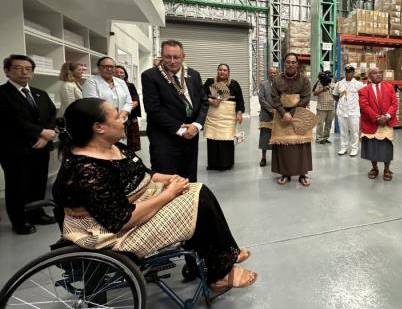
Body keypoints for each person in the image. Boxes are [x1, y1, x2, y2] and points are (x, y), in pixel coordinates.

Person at [52, 98, 257, 291]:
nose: (124, 118)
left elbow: (143, 174)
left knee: (197, 190)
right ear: (99, 127)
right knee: (199, 201)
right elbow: (121, 220)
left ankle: (220, 257)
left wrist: (168, 178)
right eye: (116, 116)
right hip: (110, 234)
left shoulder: (112, 147)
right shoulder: (87, 170)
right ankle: (220, 271)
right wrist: (168, 194)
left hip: (133, 204)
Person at [0, 54, 57, 234]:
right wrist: (40, 132)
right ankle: (19, 220)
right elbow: (11, 120)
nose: (24, 72)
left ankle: (37, 214)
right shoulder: (2, 94)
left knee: (38, 182)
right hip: (16, 149)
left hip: (41, 147)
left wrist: (46, 136)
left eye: (28, 69)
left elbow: (51, 115)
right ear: (7, 71)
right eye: (18, 68)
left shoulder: (40, 93)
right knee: (18, 185)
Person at [141, 40, 208, 182]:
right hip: (165, 137)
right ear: (161, 56)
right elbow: (153, 109)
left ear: (183, 56)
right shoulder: (150, 76)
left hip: (191, 134)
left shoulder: (193, 75)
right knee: (167, 180)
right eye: (167, 57)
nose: (172, 61)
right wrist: (181, 130)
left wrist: (197, 125)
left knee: (188, 177)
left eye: (176, 57)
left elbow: (203, 102)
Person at [270, 53, 313, 186]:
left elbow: (306, 98)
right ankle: (285, 173)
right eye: (288, 62)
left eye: (293, 62)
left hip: (299, 114)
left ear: (297, 64)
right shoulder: (277, 80)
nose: (290, 64)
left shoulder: (305, 80)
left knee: (301, 145)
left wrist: (292, 113)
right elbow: (274, 98)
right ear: (284, 64)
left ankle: (302, 174)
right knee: (284, 146)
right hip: (281, 116)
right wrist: (283, 113)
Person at [358, 67, 398, 181]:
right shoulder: (363, 90)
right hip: (371, 123)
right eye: (375, 73)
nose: (378, 75)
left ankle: (387, 169)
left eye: (380, 72)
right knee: (372, 147)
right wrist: (376, 118)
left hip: (387, 122)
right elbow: (364, 106)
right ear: (369, 76)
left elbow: (394, 104)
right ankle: (374, 168)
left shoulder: (389, 87)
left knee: (387, 147)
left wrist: (387, 116)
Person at [203, 64, 245, 171]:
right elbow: (200, 95)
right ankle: (212, 164)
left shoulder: (234, 84)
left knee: (226, 140)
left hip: (228, 118)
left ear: (228, 72)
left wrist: (239, 113)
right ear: (217, 71)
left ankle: (227, 164)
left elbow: (240, 100)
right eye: (220, 69)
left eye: (225, 70)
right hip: (213, 117)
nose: (222, 72)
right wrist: (210, 101)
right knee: (212, 140)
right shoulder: (210, 82)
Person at [82, 57, 132, 123]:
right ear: (99, 68)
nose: (109, 69)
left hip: (121, 121)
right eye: (105, 66)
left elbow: (128, 102)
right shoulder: (91, 81)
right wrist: (112, 119)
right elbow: (93, 104)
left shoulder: (121, 82)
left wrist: (121, 117)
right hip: (102, 121)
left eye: (112, 66)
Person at [332, 64, 363, 157]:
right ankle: (343, 147)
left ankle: (354, 148)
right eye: (347, 72)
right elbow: (334, 95)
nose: (348, 74)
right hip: (342, 111)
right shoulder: (339, 83)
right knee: (343, 130)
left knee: (354, 131)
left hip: (353, 111)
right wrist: (341, 102)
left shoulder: (359, 84)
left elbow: (363, 97)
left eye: (350, 72)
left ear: (353, 73)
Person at [114, 65, 142, 152]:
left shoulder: (130, 85)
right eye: (116, 72)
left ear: (125, 75)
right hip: (114, 117)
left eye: (121, 72)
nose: (119, 74)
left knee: (131, 140)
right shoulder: (109, 86)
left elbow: (135, 101)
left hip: (130, 116)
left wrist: (123, 113)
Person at [258, 66, 279, 167]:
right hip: (266, 115)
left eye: (274, 73)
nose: (272, 75)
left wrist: (278, 110)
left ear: (277, 73)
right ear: (268, 73)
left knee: (277, 137)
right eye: (271, 73)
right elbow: (261, 99)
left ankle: (276, 158)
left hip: (278, 114)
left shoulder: (280, 84)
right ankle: (263, 158)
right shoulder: (263, 84)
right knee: (265, 136)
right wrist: (271, 110)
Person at [313, 70, 335, 144]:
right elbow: (314, 93)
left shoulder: (333, 84)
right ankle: (319, 139)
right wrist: (322, 90)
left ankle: (325, 138)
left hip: (331, 107)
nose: (330, 78)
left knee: (328, 124)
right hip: (321, 108)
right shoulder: (319, 83)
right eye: (330, 77)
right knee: (320, 124)